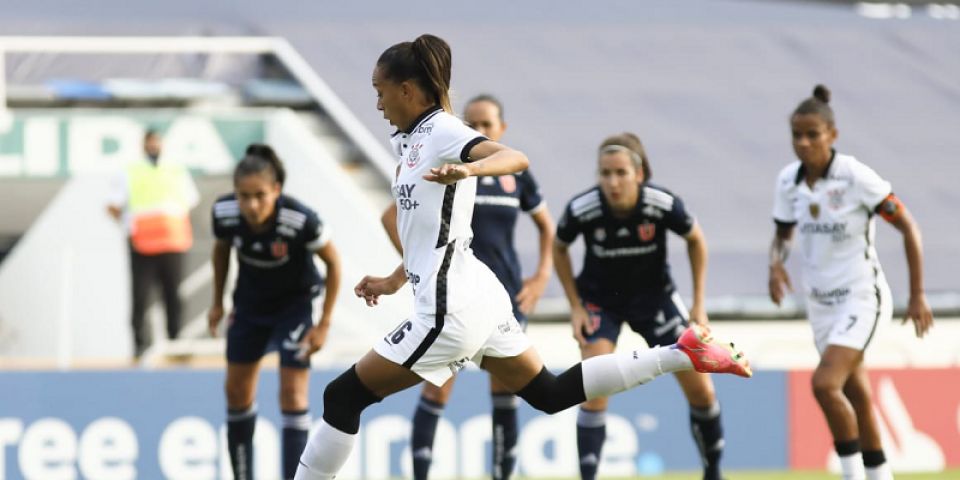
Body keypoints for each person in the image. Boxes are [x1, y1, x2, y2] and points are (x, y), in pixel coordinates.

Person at [294, 33, 751, 480]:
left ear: (407, 90)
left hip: (448, 307)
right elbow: (431, 231)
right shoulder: (410, 140)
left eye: (380, 92)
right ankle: (680, 352)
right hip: (476, 292)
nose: (377, 104)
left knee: (341, 397)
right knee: (548, 393)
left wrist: (470, 167)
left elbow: (515, 157)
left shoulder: (443, 130)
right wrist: (395, 279)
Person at [381, 94, 554, 480]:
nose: (480, 131)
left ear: (501, 130)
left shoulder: (514, 179)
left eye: (487, 125)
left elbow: (547, 228)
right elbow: (394, 216)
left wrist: (541, 276)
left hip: (502, 295)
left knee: (507, 390)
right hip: (453, 294)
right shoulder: (449, 169)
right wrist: (414, 269)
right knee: (437, 388)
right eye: (472, 124)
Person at [768, 85, 933, 480]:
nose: (803, 143)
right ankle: (880, 476)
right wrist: (775, 265)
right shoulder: (789, 181)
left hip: (861, 298)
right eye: (796, 135)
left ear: (832, 135)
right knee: (856, 393)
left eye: (812, 134)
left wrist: (917, 294)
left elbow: (908, 226)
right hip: (820, 304)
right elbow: (783, 233)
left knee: (825, 385)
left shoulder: (855, 176)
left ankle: (851, 476)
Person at [553, 132, 728, 480]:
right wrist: (575, 306)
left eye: (620, 173)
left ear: (639, 174)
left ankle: (713, 472)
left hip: (655, 299)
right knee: (595, 388)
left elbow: (696, 239)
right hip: (600, 301)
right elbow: (559, 248)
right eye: (605, 173)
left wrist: (699, 306)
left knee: (701, 389)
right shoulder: (583, 208)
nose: (612, 182)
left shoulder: (661, 203)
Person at [208, 144, 341, 480]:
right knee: (236, 391)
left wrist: (324, 322)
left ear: (276, 191)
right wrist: (217, 301)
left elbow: (334, 264)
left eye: (260, 196)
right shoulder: (224, 212)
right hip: (249, 306)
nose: (251, 205)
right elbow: (222, 250)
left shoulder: (299, 219)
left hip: (293, 307)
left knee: (292, 392)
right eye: (243, 196)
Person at [107, 129, 199, 359]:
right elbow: (113, 205)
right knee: (140, 298)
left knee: (173, 297)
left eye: (157, 141)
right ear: (143, 144)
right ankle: (140, 348)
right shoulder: (130, 171)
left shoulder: (176, 170)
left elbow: (189, 201)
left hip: (173, 243)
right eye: (150, 142)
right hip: (142, 244)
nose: (154, 146)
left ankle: (175, 346)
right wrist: (129, 227)